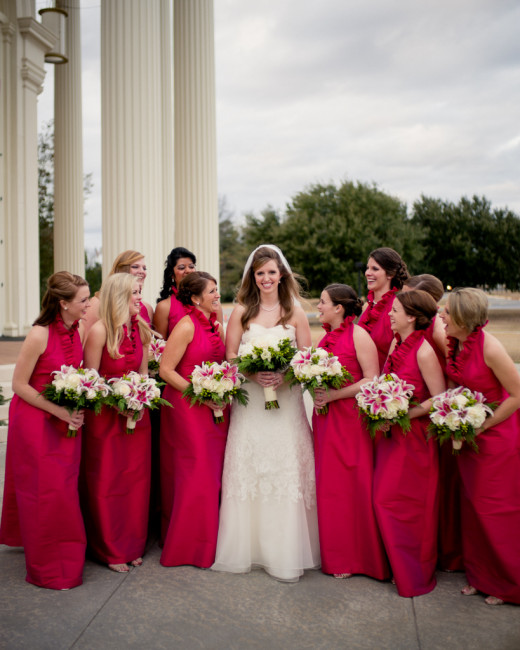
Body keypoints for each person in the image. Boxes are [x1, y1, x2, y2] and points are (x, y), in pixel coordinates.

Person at [212, 245, 320, 582]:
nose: (266, 278)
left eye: (271, 272)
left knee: (284, 464)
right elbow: (230, 356)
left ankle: (285, 551)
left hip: (285, 402)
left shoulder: (295, 313)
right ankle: (247, 548)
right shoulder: (242, 311)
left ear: (282, 274)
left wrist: (284, 375)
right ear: (252, 277)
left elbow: (306, 359)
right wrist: (252, 373)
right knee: (251, 463)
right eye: (260, 273)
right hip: (251, 402)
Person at [0, 272, 90, 589]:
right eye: (83, 300)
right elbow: (19, 385)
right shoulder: (39, 334)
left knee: (62, 491)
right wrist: (59, 411)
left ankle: (64, 550)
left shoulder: (76, 329)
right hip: (36, 421)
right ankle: (47, 566)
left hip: (64, 419)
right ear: (63, 303)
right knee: (44, 492)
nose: (88, 304)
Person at [440, 288, 520, 605]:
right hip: (469, 437)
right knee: (472, 509)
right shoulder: (455, 344)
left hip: (497, 440)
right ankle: (480, 576)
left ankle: (507, 584)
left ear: (463, 318)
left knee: (496, 512)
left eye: (447, 312)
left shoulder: (491, 347)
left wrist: (483, 425)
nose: (442, 317)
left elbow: (516, 396)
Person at [312, 284, 389, 581]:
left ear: (339, 308)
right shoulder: (327, 337)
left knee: (353, 485)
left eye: (322, 302)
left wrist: (333, 395)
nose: (318, 307)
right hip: (326, 421)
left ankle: (361, 558)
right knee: (331, 487)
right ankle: (337, 554)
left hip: (350, 421)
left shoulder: (359, 336)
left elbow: (372, 379)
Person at [373, 289, 445, 597]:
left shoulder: (425, 351)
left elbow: (440, 399)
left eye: (396, 310)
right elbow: (386, 381)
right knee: (383, 499)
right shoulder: (395, 343)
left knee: (408, 506)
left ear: (412, 317)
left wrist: (405, 412)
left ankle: (414, 573)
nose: (390, 314)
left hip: (415, 439)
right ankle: (396, 565)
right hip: (391, 435)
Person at [81, 273, 152, 573]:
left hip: (136, 418)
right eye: (134, 293)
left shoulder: (143, 331)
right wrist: (117, 401)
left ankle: (132, 545)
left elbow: (145, 374)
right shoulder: (99, 332)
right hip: (105, 421)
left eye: (139, 292)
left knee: (135, 483)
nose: (140, 298)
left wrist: (139, 399)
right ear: (119, 297)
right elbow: (90, 381)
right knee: (108, 483)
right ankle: (109, 549)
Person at [159, 272, 228, 567]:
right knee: (196, 474)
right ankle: (189, 547)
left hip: (215, 408)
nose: (217, 295)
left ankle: (209, 542)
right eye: (212, 291)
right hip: (188, 408)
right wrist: (198, 393)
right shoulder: (185, 326)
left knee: (212, 475)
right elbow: (166, 370)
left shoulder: (215, 326)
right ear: (196, 298)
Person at [403, 274, 462, 572]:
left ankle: (445, 551)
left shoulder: (438, 329)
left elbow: (454, 365)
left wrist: (449, 406)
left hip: (439, 407)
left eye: (408, 295)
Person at [358, 247, 409, 371]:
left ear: (390, 274)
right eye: (367, 268)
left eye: (375, 269)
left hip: (384, 382)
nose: (367, 273)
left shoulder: (397, 308)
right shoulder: (367, 307)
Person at [83, 250, 153, 334]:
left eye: (144, 268)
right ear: (122, 270)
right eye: (135, 267)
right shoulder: (98, 303)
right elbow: (87, 339)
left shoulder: (147, 308)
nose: (142, 271)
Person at [153, 247, 197, 339]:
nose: (188, 270)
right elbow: (160, 348)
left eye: (191, 266)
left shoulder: (209, 301)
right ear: (172, 275)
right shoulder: (164, 307)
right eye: (182, 268)